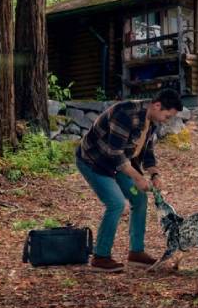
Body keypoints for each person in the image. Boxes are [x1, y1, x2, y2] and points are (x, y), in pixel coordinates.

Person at [76, 89, 183, 272]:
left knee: (139, 198)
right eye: (167, 116)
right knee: (116, 203)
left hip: (119, 164)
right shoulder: (125, 113)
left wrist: (155, 174)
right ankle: (100, 257)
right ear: (157, 105)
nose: (167, 120)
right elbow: (115, 153)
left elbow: (147, 152)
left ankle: (136, 253)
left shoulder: (151, 121)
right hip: (95, 161)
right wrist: (138, 178)